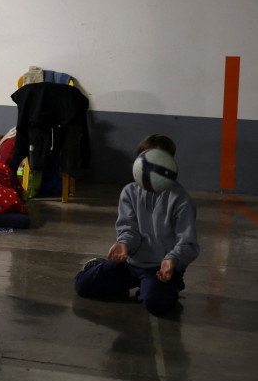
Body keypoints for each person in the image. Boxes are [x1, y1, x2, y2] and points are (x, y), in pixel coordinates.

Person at [74, 135, 199, 316]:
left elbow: (187, 243)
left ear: (169, 164)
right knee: (82, 285)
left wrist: (172, 260)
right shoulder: (130, 192)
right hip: (130, 263)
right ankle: (104, 268)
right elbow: (128, 228)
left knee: (155, 303)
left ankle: (170, 283)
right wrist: (123, 243)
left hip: (161, 268)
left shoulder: (181, 200)